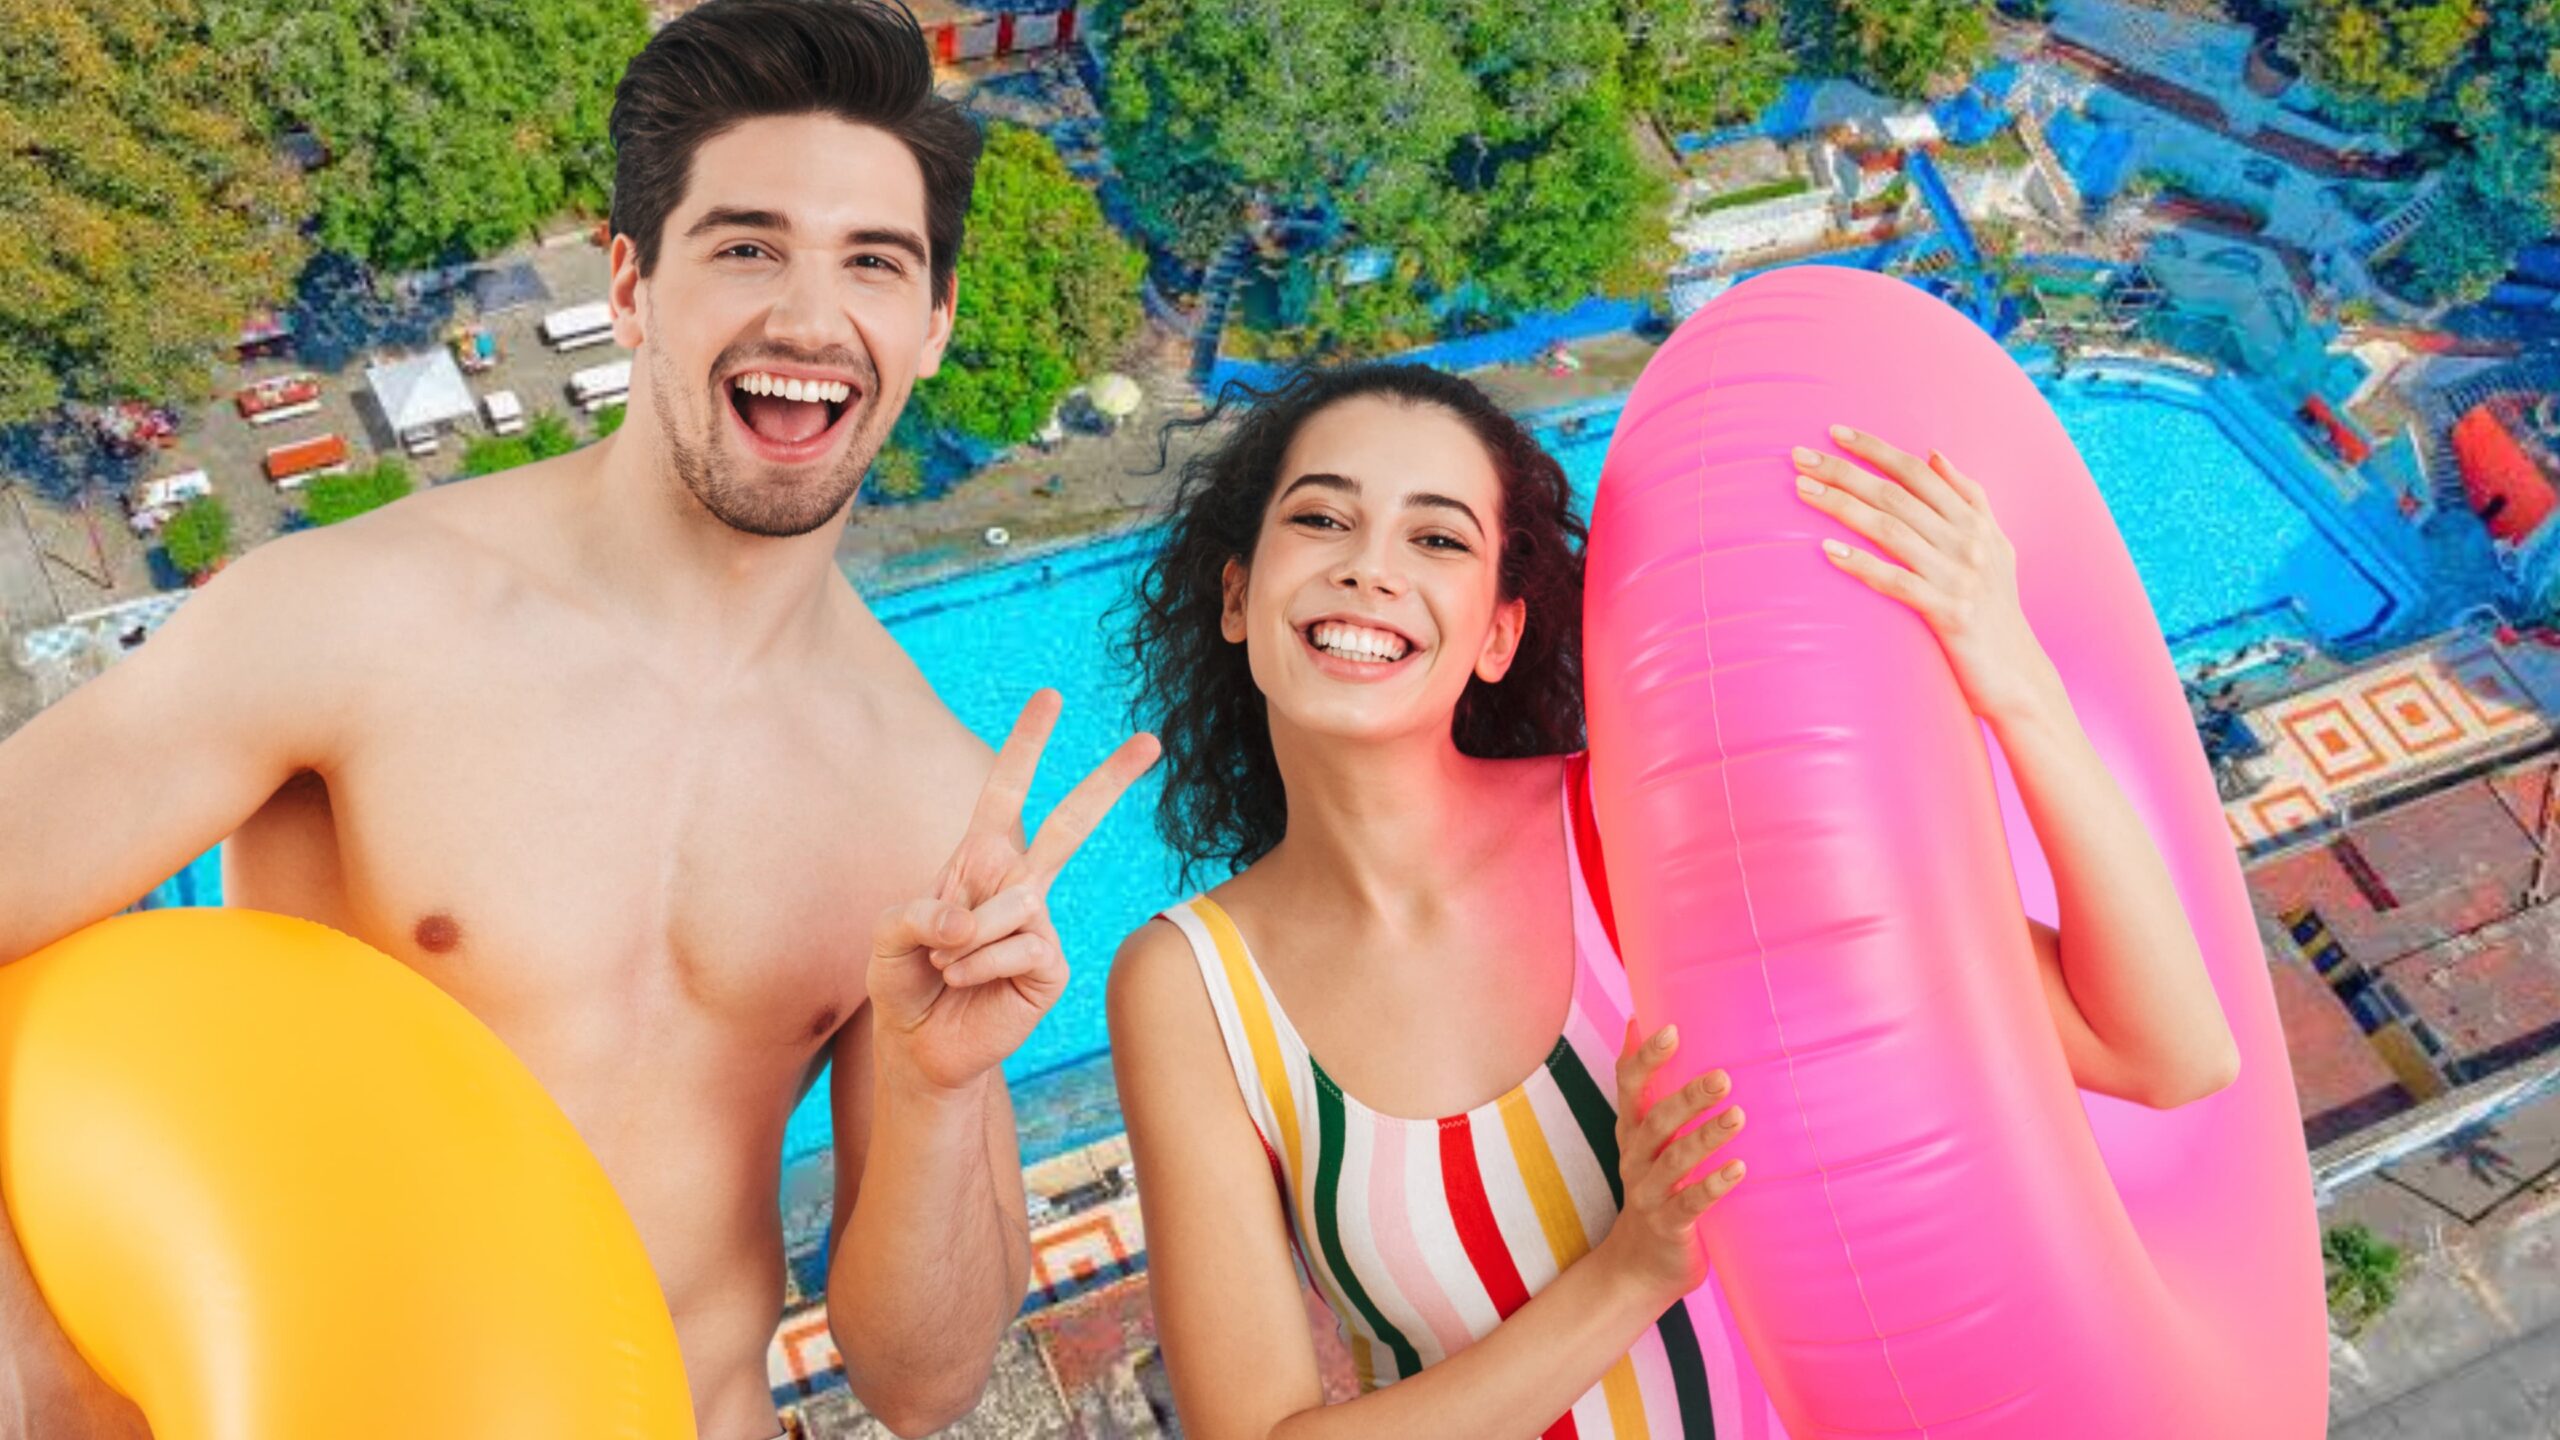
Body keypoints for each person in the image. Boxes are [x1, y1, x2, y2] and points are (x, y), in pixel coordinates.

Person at [0, 4, 1154, 1439]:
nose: (809, 317)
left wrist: (934, 1093)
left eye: (874, 262)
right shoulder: (351, 623)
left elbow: (923, 1387)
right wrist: (42, 1371)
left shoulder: (933, 797)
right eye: (746, 247)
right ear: (631, 284)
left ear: (932, 327)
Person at [1105, 363, 2240, 1438]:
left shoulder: (1659, 828)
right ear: (1240, 596)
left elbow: (2163, 1053)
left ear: (1499, 633)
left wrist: (2016, 683)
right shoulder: (1190, 989)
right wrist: (1632, 1270)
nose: (1368, 567)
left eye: (1437, 537)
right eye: (1321, 519)